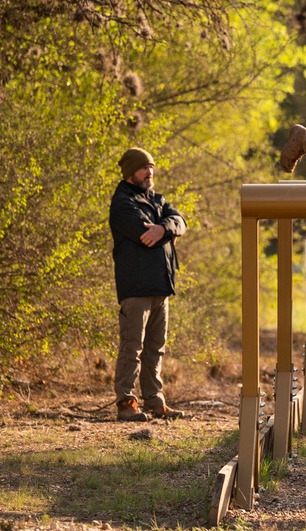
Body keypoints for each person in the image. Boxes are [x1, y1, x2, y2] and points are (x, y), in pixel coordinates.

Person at [110, 147, 188, 422]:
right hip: (136, 288)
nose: (150, 172)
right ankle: (126, 402)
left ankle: (155, 401)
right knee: (133, 347)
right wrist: (162, 230)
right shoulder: (122, 203)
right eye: (144, 168)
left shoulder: (157, 199)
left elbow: (180, 221)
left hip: (160, 287)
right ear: (131, 171)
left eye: (152, 167)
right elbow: (145, 235)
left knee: (156, 349)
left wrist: (164, 229)